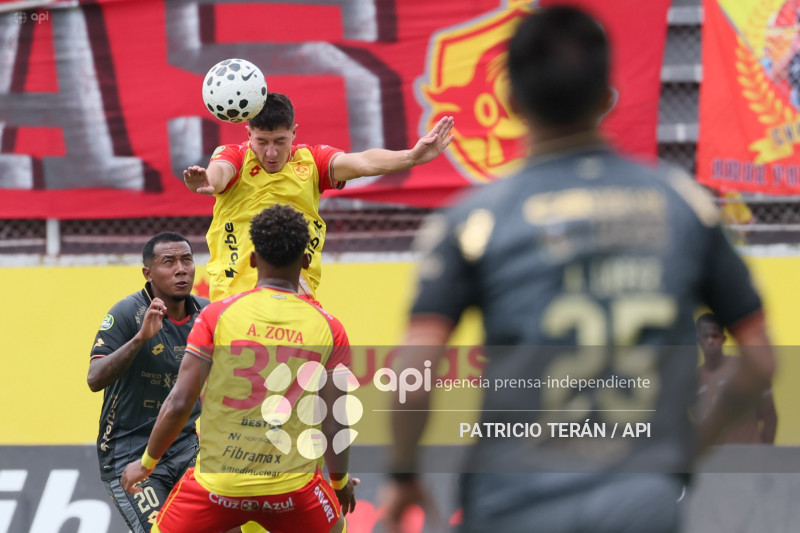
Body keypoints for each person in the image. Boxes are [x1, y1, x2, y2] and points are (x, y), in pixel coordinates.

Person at [383, 6, 776, 533]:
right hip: (640, 504)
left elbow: (413, 373)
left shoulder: (476, 219)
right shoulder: (684, 206)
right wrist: (682, 456)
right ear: (605, 97)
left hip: (512, 501)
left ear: (513, 101)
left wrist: (403, 471)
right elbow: (760, 361)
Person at [120, 204, 357, 533]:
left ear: (253, 259)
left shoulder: (217, 316)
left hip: (217, 486)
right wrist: (340, 480)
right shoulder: (330, 328)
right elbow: (335, 420)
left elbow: (179, 401)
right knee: (336, 527)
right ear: (305, 262)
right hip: (291, 491)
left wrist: (147, 464)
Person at [183, 91, 454, 301]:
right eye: (262, 142)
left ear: (294, 132)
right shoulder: (235, 156)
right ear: (249, 134)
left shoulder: (312, 162)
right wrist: (208, 180)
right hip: (234, 295)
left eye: (280, 141)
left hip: (295, 292)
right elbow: (219, 173)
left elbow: (363, 162)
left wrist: (411, 157)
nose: (271, 153)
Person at [88, 232, 208, 533]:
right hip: (129, 453)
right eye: (169, 262)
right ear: (148, 273)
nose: (181, 269)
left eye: (187, 260)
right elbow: (94, 378)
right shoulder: (128, 313)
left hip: (186, 447)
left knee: (231, 522)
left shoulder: (207, 315)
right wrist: (140, 339)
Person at [696, 313, 778, 444]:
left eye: (715, 336)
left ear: (724, 338)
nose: (710, 341)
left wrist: (764, 453)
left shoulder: (747, 370)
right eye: (705, 336)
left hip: (749, 456)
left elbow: (770, 416)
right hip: (715, 460)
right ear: (698, 340)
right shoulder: (694, 379)